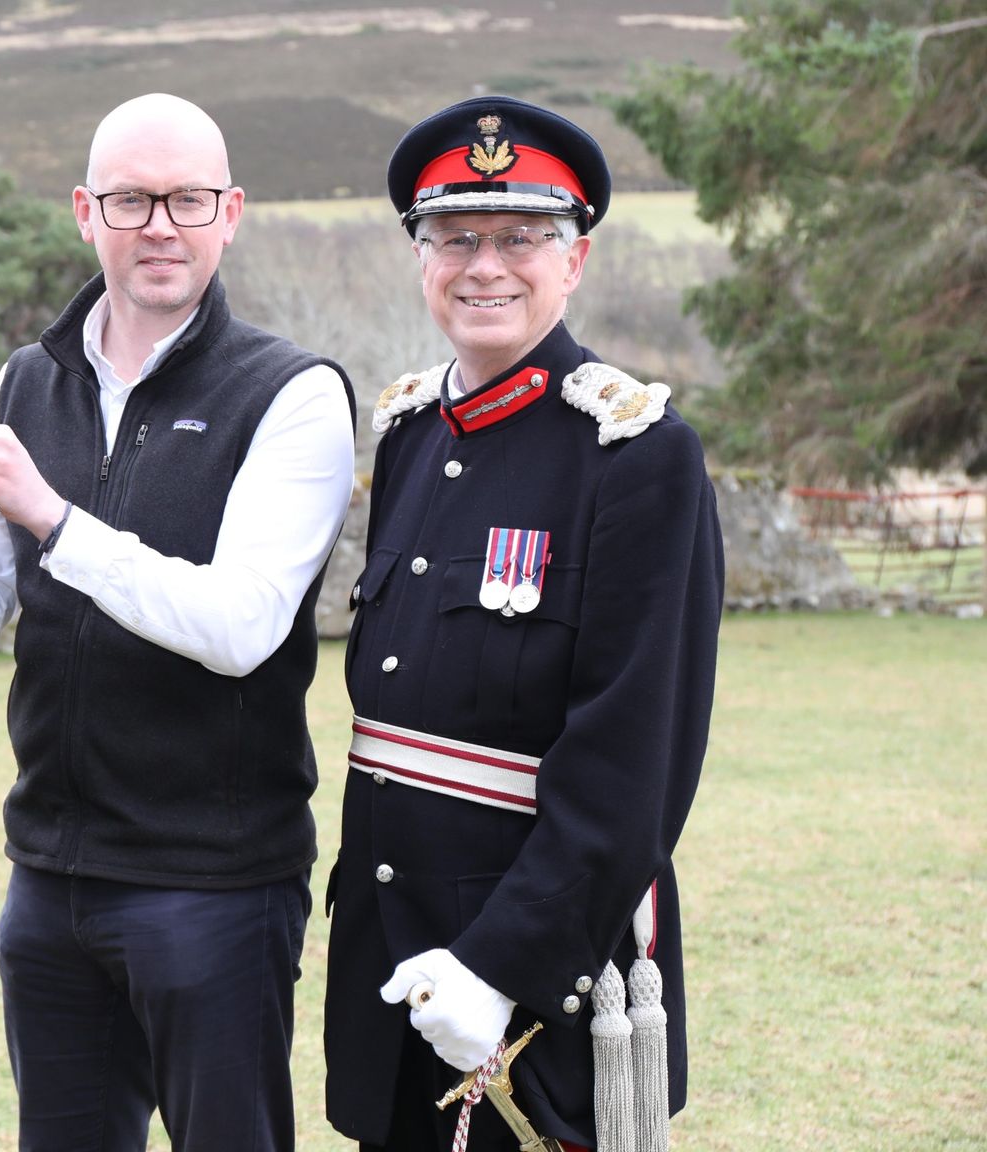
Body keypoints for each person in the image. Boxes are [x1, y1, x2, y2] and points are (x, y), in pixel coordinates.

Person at [0, 93, 356, 1150]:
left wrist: (52, 517)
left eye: (185, 199)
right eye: (130, 199)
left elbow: (239, 627)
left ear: (229, 213)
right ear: (82, 213)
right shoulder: (26, 379)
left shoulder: (291, 394)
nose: (158, 224)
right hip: (46, 879)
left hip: (213, 886)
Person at [322, 96, 724, 1152]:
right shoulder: (408, 433)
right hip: (387, 943)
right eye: (454, 238)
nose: (483, 265)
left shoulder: (634, 453)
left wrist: (499, 965)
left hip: (538, 964)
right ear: (421, 257)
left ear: (574, 259)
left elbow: (631, 763)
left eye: (519, 238)